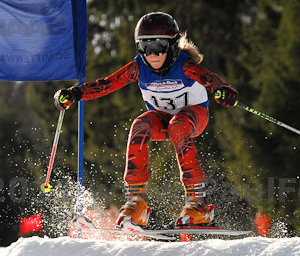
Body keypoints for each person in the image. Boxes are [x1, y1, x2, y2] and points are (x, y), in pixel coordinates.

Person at [54, 12, 238, 229]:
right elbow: (106, 84)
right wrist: (74, 94)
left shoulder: (184, 65)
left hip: (193, 115)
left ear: (172, 45)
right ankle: (136, 202)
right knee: (140, 125)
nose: (153, 54)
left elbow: (210, 79)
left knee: (177, 126)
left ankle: (199, 203)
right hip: (162, 119)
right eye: (145, 47)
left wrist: (222, 89)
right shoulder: (138, 68)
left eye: (159, 45)